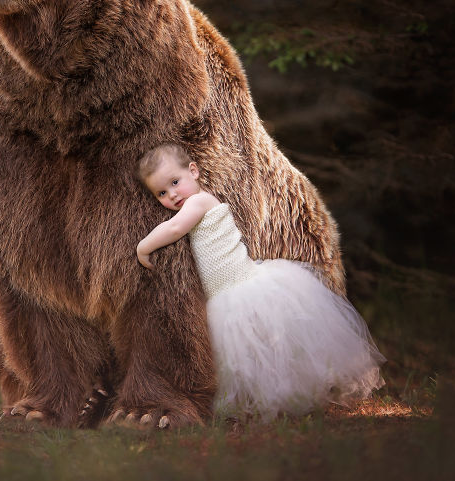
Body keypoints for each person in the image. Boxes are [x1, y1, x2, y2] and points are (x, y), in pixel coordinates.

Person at [136, 143, 385, 420]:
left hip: (240, 288)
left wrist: (144, 246)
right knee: (250, 354)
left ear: (193, 171)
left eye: (174, 182)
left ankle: (285, 398)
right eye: (161, 192)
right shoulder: (193, 201)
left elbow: (174, 228)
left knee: (262, 347)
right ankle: (266, 401)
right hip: (225, 292)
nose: (172, 195)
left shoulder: (199, 202)